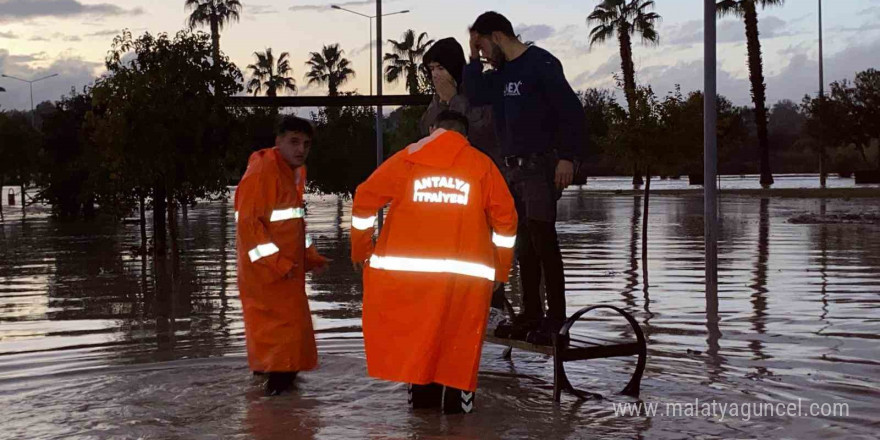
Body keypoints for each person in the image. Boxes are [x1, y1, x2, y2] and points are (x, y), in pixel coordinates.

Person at [350, 111, 517, 414]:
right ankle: (456, 417)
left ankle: (422, 422)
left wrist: (362, 250)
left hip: (411, 282)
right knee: (459, 350)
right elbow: (506, 221)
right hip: (466, 283)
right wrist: (500, 269)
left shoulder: (406, 160)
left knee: (421, 346)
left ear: (431, 130)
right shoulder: (481, 165)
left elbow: (363, 199)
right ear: (465, 137)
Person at [463, 11, 587, 345]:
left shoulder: (540, 64)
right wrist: (472, 56)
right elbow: (474, 94)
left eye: (484, 45)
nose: (484, 54)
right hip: (512, 169)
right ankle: (531, 313)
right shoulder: (500, 74)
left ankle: (557, 320)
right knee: (523, 245)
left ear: (499, 36)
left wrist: (567, 157)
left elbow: (571, 112)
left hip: (541, 165)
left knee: (543, 238)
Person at [235, 116, 330, 396]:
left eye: (306, 144)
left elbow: (293, 223)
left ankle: (272, 415)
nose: (301, 149)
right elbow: (249, 225)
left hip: (283, 274)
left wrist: (310, 257)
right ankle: (279, 420)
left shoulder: (291, 172)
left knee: (278, 351)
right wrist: (279, 264)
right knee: (283, 354)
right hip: (268, 277)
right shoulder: (264, 171)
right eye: (294, 142)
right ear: (278, 142)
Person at [420, 37, 499, 164]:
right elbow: (426, 131)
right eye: (432, 69)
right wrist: (441, 103)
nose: (435, 74)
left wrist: (454, 99)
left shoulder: (477, 90)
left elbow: (480, 132)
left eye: (440, 68)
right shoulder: (438, 97)